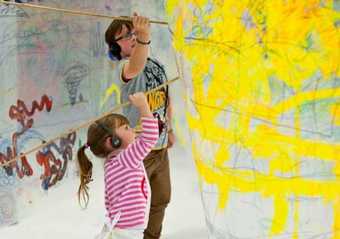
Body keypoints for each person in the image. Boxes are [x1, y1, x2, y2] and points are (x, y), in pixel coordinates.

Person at [104, 13, 175, 239]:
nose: (131, 38)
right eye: (124, 37)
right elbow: (136, 66)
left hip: (160, 147)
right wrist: (143, 38)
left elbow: (165, 96)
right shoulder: (126, 67)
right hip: (138, 151)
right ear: (116, 47)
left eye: (132, 32)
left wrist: (170, 129)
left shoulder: (157, 64)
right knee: (134, 208)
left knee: (162, 199)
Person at [77, 92, 159, 239]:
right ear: (113, 141)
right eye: (126, 128)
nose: (132, 129)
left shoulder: (111, 164)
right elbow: (150, 138)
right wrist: (143, 106)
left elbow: (109, 201)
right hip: (128, 230)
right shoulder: (126, 159)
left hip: (119, 227)